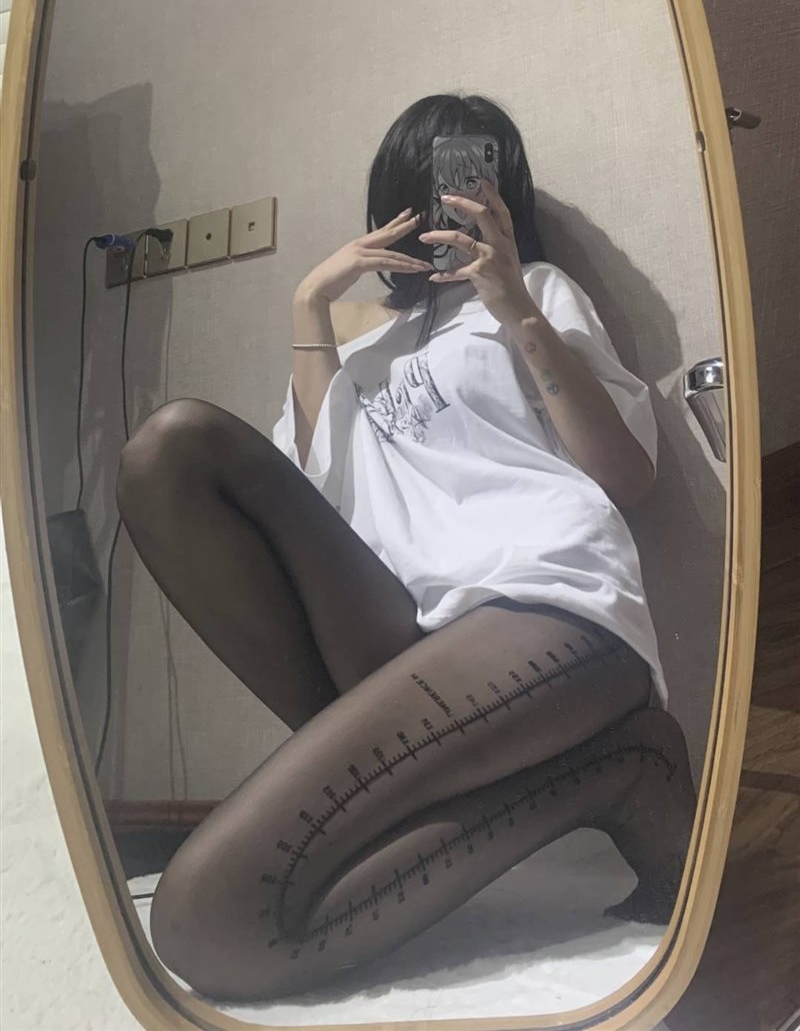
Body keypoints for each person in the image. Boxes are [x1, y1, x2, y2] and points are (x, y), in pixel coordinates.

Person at [116, 94, 697, 1003]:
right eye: (422, 184)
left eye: (465, 179)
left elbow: (629, 476)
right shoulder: (362, 344)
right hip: (400, 629)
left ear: (500, 192)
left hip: (544, 607)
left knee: (206, 919)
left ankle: (626, 766)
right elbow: (329, 495)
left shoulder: (538, 292)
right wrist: (311, 305)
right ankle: (612, 768)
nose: (442, 202)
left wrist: (514, 305)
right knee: (169, 450)